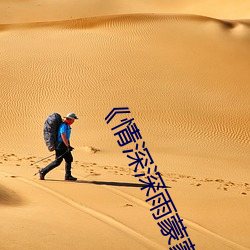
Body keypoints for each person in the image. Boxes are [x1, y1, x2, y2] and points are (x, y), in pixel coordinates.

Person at [39, 112, 78, 181]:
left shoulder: (67, 125)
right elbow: (63, 135)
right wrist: (67, 146)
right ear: (70, 119)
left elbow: (66, 137)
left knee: (69, 159)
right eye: (73, 119)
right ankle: (43, 172)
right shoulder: (64, 126)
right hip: (61, 145)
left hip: (64, 145)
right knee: (57, 162)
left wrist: (68, 145)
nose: (74, 121)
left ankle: (68, 175)